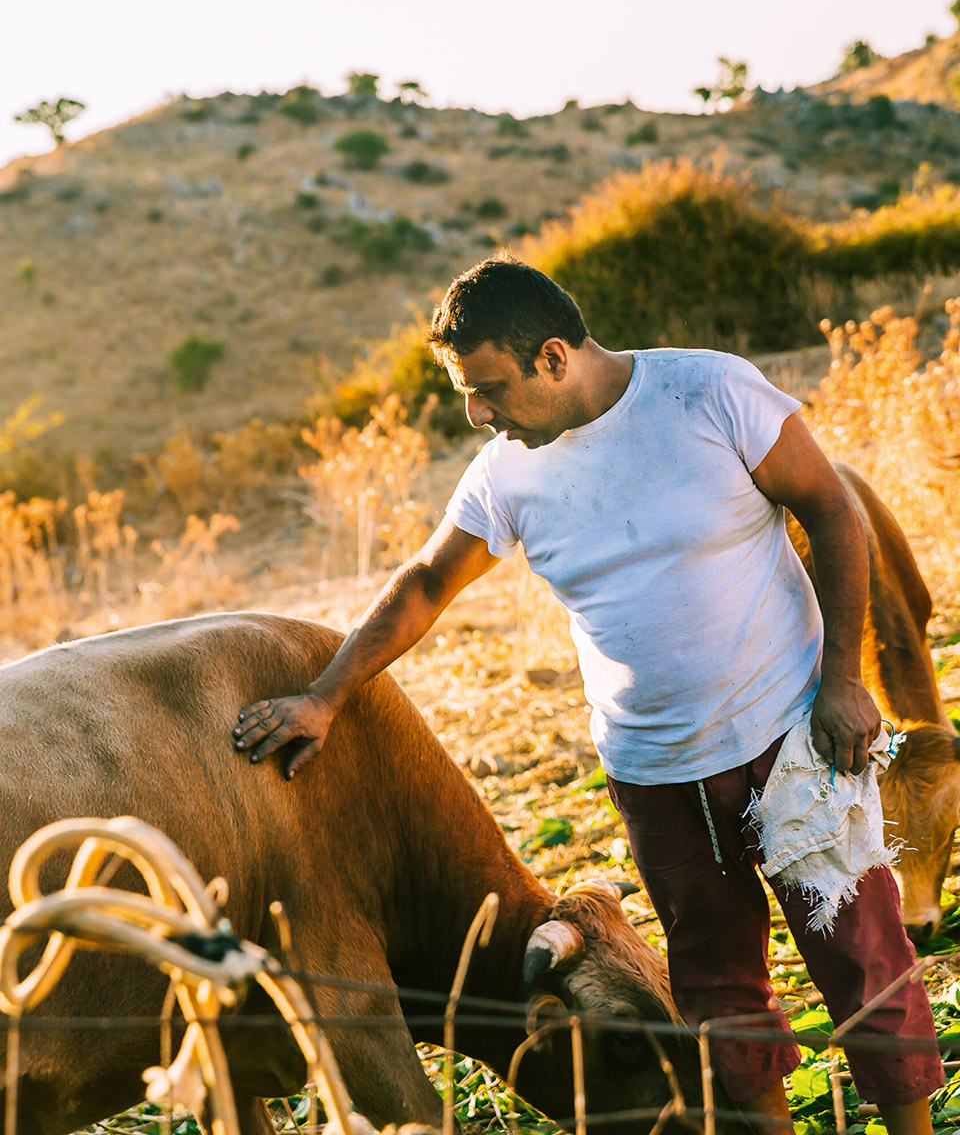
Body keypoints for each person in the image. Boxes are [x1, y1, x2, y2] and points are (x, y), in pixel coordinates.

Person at [232, 257, 943, 1133]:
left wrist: (841, 681)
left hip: (791, 736)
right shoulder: (506, 473)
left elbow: (833, 511)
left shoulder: (710, 394)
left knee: (862, 958)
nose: (476, 413)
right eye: (466, 392)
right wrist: (323, 697)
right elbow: (423, 583)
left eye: (489, 387)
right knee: (718, 989)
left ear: (555, 357)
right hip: (654, 772)